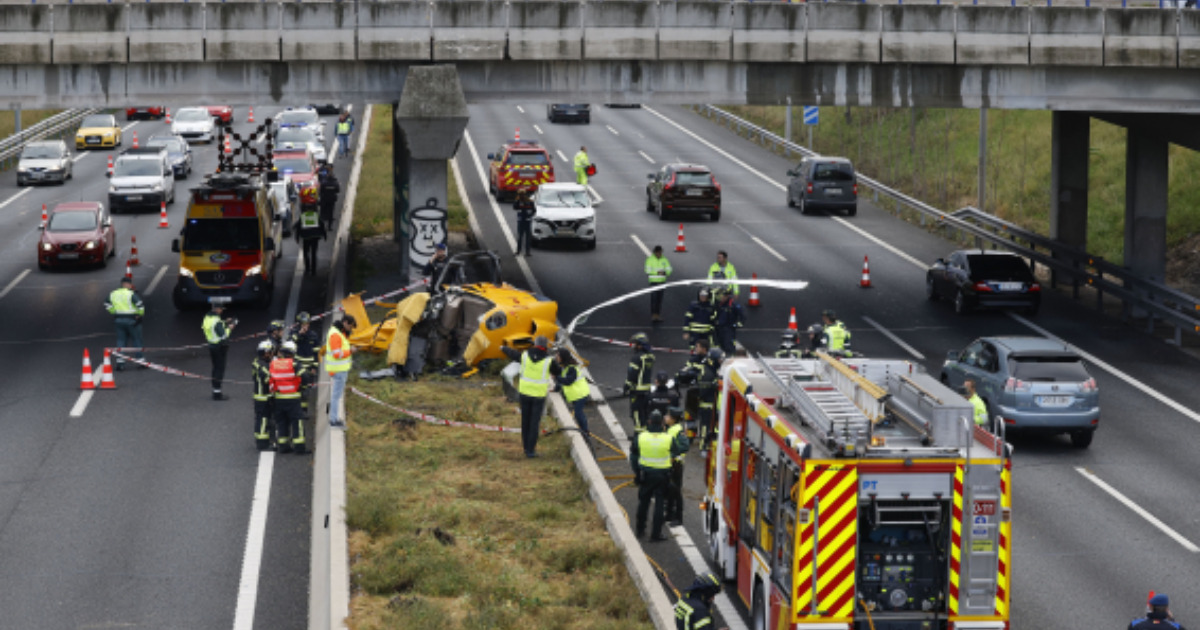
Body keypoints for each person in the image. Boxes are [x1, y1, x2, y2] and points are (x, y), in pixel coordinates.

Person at [629, 410, 684, 542]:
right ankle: (656, 534)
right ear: (662, 423)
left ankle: (640, 530)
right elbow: (676, 455)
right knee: (659, 505)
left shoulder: (641, 437)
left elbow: (634, 456)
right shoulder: (668, 438)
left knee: (643, 503)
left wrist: (637, 473)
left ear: (649, 422)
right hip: (662, 476)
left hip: (645, 475)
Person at [501, 336, 552, 458]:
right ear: (545, 346)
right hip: (538, 396)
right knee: (534, 423)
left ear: (535, 344)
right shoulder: (548, 360)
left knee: (525, 421)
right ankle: (530, 450)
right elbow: (559, 371)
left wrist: (503, 348)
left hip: (524, 394)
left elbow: (513, 354)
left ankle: (525, 448)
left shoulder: (525, 355)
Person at [270, 340, 310, 454]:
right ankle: (299, 447)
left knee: (282, 422)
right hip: (293, 398)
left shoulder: (274, 364)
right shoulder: (294, 364)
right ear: (292, 353)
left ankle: (283, 445)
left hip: (279, 398)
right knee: (297, 422)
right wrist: (302, 386)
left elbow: (271, 379)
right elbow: (305, 376)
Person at [105, 277, 145, 371]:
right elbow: (140, 305)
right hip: (132, 320)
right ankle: (141, 361)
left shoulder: (113, 293)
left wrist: (114, 312)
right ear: (129, 284)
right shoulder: (131, 294)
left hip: (118, 320)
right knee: (136, 340)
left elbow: (106, 303)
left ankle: (120, 363)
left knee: (121, 341)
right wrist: (139, 315)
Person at [675, 339, 711, 440]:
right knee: (690, 415)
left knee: (705, 418)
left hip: (705, 392)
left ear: (704, 349)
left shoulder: (710, 361)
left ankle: (705, 438)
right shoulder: (694, 359)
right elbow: (684, 370)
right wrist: (679, 376)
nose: (695, 349)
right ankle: (691, 437)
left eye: (697, 347)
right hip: (693, 391)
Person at [325, 315, 356, 428]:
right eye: (350, 326)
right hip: (339, 370)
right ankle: (334, 420)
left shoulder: (337, 332)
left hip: (338, 369)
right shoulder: (336, 335)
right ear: (345, 323)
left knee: (336, 395)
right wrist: (350, 351)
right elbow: (337, 354)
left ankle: (334, 418)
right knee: (336, 396)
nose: (350, 329)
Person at [554, 348, 591, 441]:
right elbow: (563, 379)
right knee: (578, 414)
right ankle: (583, 430)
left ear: (562, 357)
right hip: (576, 395)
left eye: (557, 355)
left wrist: (557, 378)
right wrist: (556, 388)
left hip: (580, 394)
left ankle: (585, 432)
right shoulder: (565, 367)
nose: (556, 357)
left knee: (578, 413)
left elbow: (568, 381)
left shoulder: (571, 368)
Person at [202, 303, 237, 401]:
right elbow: (224, 336)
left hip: (212, 345)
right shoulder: (216, 321)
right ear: (217, 309)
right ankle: (217, 394)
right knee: (219, 369)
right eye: (221, 309)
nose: (222, 311)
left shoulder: (207, 318)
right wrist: (229, 328)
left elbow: (214, 329)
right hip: (219, 347)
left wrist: (225, 322)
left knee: (215, 368)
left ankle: (215, 390)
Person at [290, 312, 321, 418]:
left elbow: (316, 352)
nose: (305, 326)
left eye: (307, 324)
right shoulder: (294, 333)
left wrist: (314, 367)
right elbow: (290, 343)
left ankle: (303, 411)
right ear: (299, 324)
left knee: (306, 390)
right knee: (295, 389)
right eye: (303, 324)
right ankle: (294, 410)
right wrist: (299, 334)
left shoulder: (313, 336)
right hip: (297, 366)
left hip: (308, 368)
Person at [624, 333, 656, 433]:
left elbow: (632, 374)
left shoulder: (637, 357)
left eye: (636, 344)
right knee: (645, 413)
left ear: (640, 345)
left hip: (636, 390)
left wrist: (627, 386)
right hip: (647, 390)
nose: (634, 346)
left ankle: (638, 437)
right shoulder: (651, 356)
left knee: (636, 413)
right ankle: (645, 433)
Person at [664, 408, 690, 527]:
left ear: (673, 419)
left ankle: (678, 518)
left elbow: (685, 446)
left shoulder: (678, 430)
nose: (665, 417)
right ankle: (669, 514)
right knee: (669, 490)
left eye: (668, 416)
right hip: (670, 464)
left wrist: (674, 455)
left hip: (676, 465)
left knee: (676, 491)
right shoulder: (671, 429)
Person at [294, 188, 327, 276]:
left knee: (306, 253)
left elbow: (298, 227)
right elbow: (322, 225)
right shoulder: (315, 215)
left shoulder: (303, 216)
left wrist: (297, 237)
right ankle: (313, 271)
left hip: (306, 237)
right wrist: (324, 235)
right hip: (315, 237)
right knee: (313, 253)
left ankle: (307, 269)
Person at [252, 340, 275, 450]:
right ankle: (262, 443)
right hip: (263, 397)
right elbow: (268, 379)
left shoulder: (257, 362)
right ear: (265, 353)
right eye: (270, 352)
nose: (271, 355)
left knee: (261, 419)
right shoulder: (262, 366)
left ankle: (262, 440)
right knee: (263, 419)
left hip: (260, 397)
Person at [712, 287, 745, 355]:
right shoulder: (718, 305)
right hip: (718, 329)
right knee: (719, 346)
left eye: (723, 296)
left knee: (728, 345)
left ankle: (730, 358)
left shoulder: (733, 305)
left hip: (729, 329)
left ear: (727, 296)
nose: (721, 298)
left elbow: (743, 316)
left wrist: (736, 325)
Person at [645, 244, 672, 322]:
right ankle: (653, 315)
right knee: (654, 299)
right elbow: (647, 270)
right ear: (655, 252)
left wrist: (666, 273)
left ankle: (657, 315)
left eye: (660, 252)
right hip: (653, 282)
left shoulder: (665, 260)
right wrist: (658, 272)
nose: (659, 254)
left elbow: (669, 269)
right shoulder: (650, 260)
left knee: (659, 300)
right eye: (658, 252)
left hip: (662, 282)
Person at [318, 165, 341, 231]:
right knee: (331, 213)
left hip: (324, 199)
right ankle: (329, 227)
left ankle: (321, 226)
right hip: (332, 200)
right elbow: (338, 190)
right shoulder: (335, 183)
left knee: (322, 213)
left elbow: (320, 191)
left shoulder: (324, 183)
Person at [513, 187, 535, 257]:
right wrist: (517, 201)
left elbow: (534, 210)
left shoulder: (529, 201)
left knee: (527, 237)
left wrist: (530, 215)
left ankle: (526, 251)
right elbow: (514, 207)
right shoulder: (518, 201)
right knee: (520, 237)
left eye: (522, 194)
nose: (521, 196)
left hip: (526, 221)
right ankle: (519, 251)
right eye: (520, 194)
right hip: (521, 221)